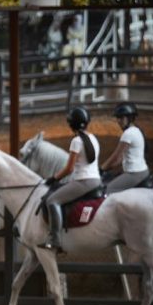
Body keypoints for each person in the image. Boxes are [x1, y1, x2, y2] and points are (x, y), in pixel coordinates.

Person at [41, 106, 101, 251]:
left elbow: (69, 168)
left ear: (71, 124)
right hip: (96, 180)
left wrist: (53, 178)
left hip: (83, 181)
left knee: (52, 200)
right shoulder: (93, 138)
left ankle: (55, 239)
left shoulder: (76, 141)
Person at [100, 102, 150, 194]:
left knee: (107, 190)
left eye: (121, 118)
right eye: (118, 118)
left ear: (130, 118)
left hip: (134, 174)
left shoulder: (128, 134)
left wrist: (101, 169)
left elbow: (115, 157)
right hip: (142, 171)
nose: (118, 120)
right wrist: (107, 169)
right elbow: (120, 160)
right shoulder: (136, 130)